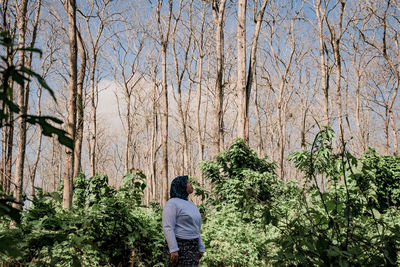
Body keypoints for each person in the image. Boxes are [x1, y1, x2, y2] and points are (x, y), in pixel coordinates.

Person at [162, 176, 205, 266]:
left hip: (193, 245)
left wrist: (200, 247)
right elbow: (168, 227)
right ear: (181, 185)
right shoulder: (172, 203)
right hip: (179, 246)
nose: (190, 184)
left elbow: (196, 228)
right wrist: (173, 249)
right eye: (187, 182)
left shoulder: (191, 204)